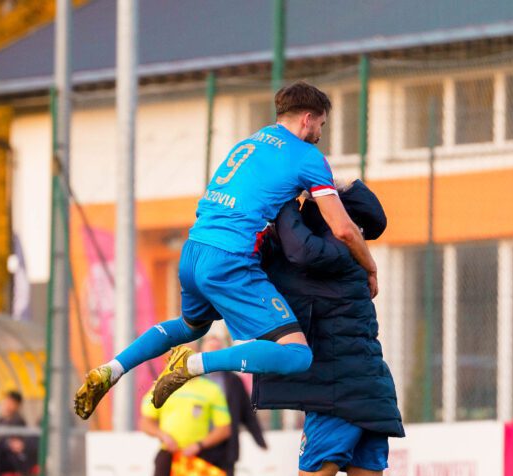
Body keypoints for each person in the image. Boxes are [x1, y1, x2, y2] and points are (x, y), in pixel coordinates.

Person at [74, 81, 379, 418]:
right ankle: (192, 363)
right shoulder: (307, 156)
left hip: (194, 251)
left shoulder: (250, 143)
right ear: (308, 119)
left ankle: (113, 369)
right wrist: (370, 268)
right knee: (297, 355)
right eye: (321, 125)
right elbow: (343, 229)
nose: (320, 134)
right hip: (230, 259)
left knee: (192, 327)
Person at [254, 180, 427, 476]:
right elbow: (359, 213)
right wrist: (340, 185)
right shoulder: (355, 255)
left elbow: (291, 237)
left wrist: (291, 194)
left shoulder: (323, 252)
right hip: (371, 385)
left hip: (337, 389)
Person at [199, 333, 267, 476]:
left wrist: (260, 440)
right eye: (211, 349)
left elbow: (247, 414)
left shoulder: (233, 381)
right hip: (199, 449)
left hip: (226, 449)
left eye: (219, 349)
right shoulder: (194, 382)